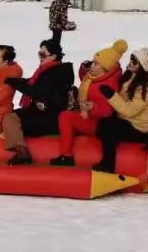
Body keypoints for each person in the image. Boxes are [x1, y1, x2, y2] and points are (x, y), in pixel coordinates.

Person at [50, 39, 127, 167]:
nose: (92, 66)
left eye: (96, 64)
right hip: (88, 115)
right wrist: (84, 68)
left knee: (65, 116)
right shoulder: (97, 76)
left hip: (96, 123)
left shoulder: (108, 84)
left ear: (106, 68)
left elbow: (107, 111)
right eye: (93, 62)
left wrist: (92, 107)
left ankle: (66, 156)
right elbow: (86, 81)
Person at [0, 38, 74, 165]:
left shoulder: (54, 73)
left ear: (54, 56)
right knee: (11, 115)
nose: (40, 57)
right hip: (43, 113)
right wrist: (13, 81)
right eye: (39, 54)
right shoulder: (48, 71)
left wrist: (12, 82)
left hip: (50, 119)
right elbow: (31, 83)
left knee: (10, 118)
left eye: (43, 54)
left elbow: (36, 90)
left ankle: (22, 152)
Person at [93, 48, 148, 173]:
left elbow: (129, 111)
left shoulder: (146, 88)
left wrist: (111, 95)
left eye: (135, 61)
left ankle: (108, 164)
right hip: (129, 120)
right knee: (103, 123)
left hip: (139, 128)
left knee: (109, 128)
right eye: (131, 58)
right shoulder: (132, 76)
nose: (130, 62)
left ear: (144, 67)